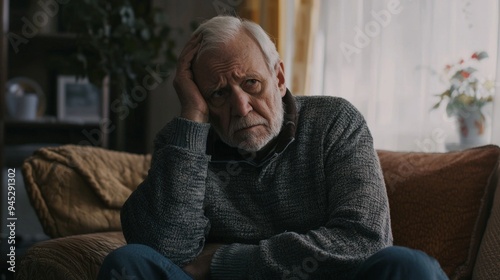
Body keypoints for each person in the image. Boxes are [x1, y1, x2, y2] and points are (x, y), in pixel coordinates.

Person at [98, 15, 448, 280]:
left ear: (279, 78)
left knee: (409, 267)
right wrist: (191, 118)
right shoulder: (185, 143)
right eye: (219, 93)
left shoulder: (335, 121)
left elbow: (365, 241)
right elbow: (164, 250)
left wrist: (222, 261)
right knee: (128, 265)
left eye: (251, 83)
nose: (241, 107)